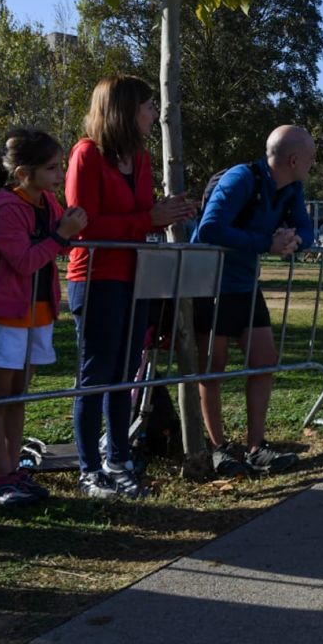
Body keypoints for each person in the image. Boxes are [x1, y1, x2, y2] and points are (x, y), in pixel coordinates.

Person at [66, 75, 194, 499]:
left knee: (125, 374)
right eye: (148, 105)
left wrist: (170, 213)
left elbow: (145, 216)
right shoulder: (85, 155)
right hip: (96, 277)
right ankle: (89, 469)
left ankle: (117, 458)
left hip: (135, 278)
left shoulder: (141, 159)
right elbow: (84, 226)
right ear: (124, 109)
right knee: (96, 376)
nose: (154, 113)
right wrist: (149, 219)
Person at [0, 129, 87, 505]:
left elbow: (57, 241)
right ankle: (0, 475)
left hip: (38, 313)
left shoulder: (48, 203)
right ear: (23, 173)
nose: (58, 175)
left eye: (59, 167)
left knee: (18, 395)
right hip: (6, 314)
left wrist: (68, 229)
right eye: (52, 168)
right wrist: (62, 236)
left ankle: (14, 469)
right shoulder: (5, 207)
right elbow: (23, 260)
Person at [192, 125, 315, 477]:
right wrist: (266, 242)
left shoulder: (291, 187)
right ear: (293, 159)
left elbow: (306, 229)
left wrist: (294, 241)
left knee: (264, 360)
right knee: (211, 370)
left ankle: (256, 447)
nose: (313, 163)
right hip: (211, 284)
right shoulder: (239, 180)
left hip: (246, 285)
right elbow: (209, 229)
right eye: (310, 158)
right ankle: (218, 448)